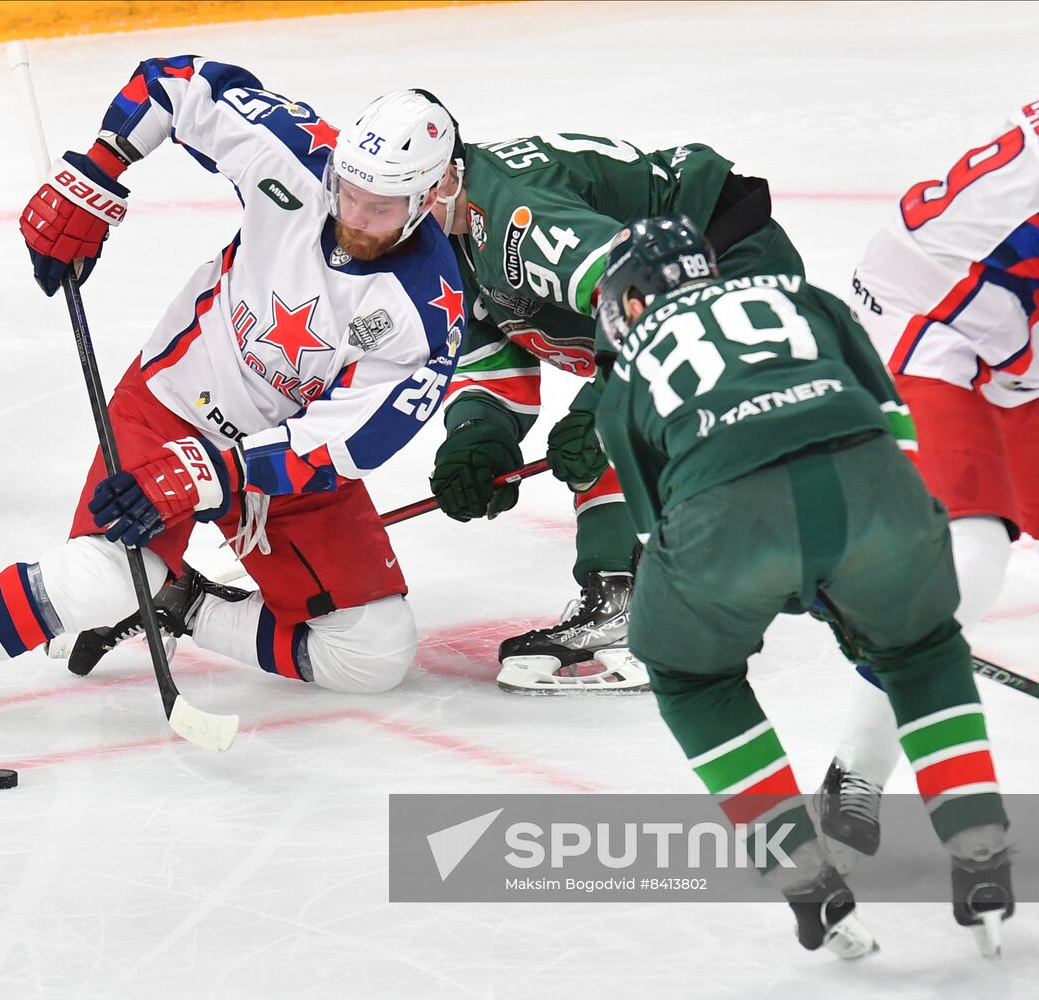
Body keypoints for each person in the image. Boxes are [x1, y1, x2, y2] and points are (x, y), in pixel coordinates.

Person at [0, 57, 465, 741]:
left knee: (374, 652)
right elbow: (174, 83)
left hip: (276, 457)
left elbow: (348, 442)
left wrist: (217, 474)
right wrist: (97, 168)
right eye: (348, 190)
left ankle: (179, 603)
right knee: (103, 581)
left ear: (429, 195)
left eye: (380, 207)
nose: (353, 213)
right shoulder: (297, 156)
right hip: (175, 402)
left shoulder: (426, 310)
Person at [593, 214, 1013, 957]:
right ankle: (980, 849)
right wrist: (851, 579)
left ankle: (803, 875)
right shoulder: (802, 294)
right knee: (918, 651)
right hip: (876, 492)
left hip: (725, 521)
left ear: (629, 302)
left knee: (692, 678)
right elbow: (894, 430)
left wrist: (795, 579)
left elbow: (663, 530)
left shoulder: (623, 380)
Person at [422, 128, 805, 693]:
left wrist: (606, 407)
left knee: (609, 421)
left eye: (386, 205)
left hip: (727, 264)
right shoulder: (447, 244)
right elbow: (491, 364)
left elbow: (653, 281)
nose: (369, 224)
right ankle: (633, 593)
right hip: (663, 295)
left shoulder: (513, 217)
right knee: (603, 421)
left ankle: (633, 606)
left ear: (443, 181)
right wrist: (477, 439)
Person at [817, 99, 1039, 855]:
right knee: (970, 553)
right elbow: (944, 269)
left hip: (1007, 339)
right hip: (925, 325)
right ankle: (859, 765)